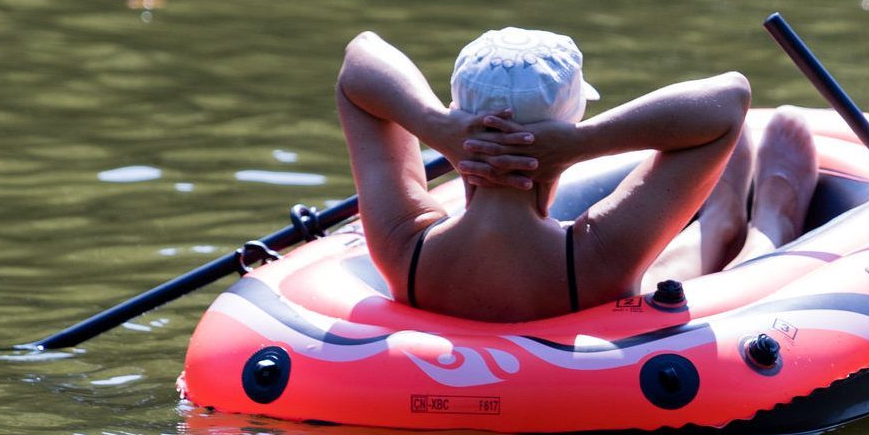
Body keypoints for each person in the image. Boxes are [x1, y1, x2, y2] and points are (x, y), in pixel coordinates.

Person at [334, 26, 817, 322]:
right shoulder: (597, 256)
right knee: (660, 274)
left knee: (661, 269)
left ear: (457, 110)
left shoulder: (402, 246)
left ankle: (719, 223)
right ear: (571, 122)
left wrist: (433, 126)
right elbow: (730, 99)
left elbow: (361, 55)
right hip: (580, 303)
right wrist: (582, 145)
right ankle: (765, 228)